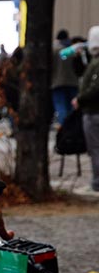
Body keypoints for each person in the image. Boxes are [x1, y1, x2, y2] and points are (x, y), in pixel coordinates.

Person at [76, 26, 99, 192]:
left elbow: (94, 87)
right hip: (91, 109)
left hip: (93, 110)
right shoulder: (93, 61)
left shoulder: (96, 63)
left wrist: (80, 98)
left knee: (95, 148)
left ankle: (97, 182)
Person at [51, 29, 84, 127]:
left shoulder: (54, 49)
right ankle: (72, 127)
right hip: (73, 82)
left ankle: (65, 127)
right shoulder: (72, 50)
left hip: (57, 83)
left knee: (61, 107)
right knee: (72, 108)